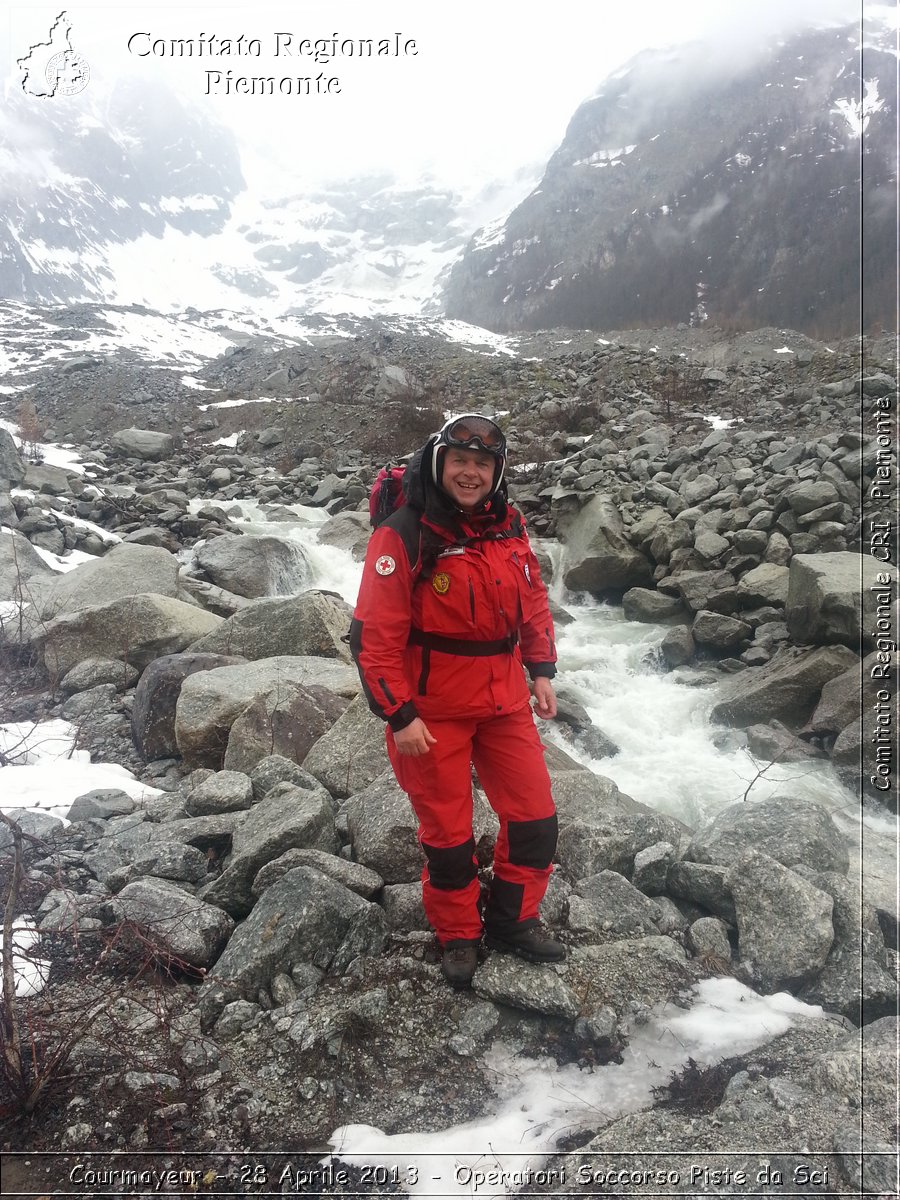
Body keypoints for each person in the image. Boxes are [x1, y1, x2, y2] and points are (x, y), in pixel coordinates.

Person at [350, 413, 565, 988]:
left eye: (483, 464)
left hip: (505, 702)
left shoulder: (508, 523)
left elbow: (532, 599)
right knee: (449, 840)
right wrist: (400, 714)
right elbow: (374, 635)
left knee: (537, 819)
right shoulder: (404, 532)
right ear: (440, 463)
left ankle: (513, 920)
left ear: (497, 472)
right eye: (461, 462)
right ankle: (458, 934)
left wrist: (541, 668)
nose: (471, 473)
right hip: (433, 714)